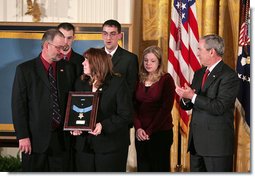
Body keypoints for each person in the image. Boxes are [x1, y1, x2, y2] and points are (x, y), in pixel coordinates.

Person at [12, 29, 76, 172]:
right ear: (47, 46)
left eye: (64, 48)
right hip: (34, 141)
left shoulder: (68, 69)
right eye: (58, 47)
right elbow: (18, 106)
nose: (62, 51)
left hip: (61, 141)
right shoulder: (25, 70)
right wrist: (23, 136)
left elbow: (73, 101)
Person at [175, 34, 240, 172]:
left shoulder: (229, 76)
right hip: (196, 144)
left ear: (212, 52)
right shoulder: (199, 73)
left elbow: (219, 107)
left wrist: (193, 96)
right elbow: (191, 103)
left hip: (216, 147)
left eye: (200, 49)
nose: (197, 53)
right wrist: (186, 97)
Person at [71, 48, 133, 172]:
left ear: (96, 63)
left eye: (86, 61)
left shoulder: (118, 83)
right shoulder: (81, 83)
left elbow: (126, 115)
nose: (82, 63)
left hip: (110, 147)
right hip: (84, 147)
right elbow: (77, 111)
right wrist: (75, 126)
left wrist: (103, 125)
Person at [134, 46, 175, 172]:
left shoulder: (166, 79)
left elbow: (165, 109)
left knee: (159, 169)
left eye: (152, 61)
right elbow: (133, 105)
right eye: (146, 60)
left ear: (159, 62)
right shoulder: (138, 79)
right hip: (141, 133)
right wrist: (138, 128)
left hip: (160, 133)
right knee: (143, 168)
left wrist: (149, 131)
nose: (148, 63)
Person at [101, 19, 138, 97]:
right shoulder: (95, 56)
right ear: (102, 35)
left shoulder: (130, 59)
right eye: (105, 34)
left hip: (119, 106)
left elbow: (131, 88)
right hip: (97, 105)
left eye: (112, 34)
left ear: (119, 36)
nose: (108, 38)